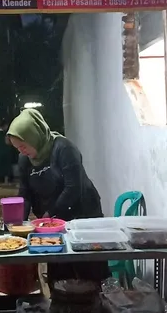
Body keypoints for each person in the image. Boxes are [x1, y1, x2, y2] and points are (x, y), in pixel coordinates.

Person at [7, 108, 108, 283]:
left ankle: (98, 305)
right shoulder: (25, 160)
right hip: (52, 225)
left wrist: (49, 215)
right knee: (59, 271)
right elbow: (25, 193)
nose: (21, 151)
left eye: (23, 145)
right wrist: (18, 224)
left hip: (82, 215)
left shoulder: (63, 149)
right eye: (17, 148)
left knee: (89, 269)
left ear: (33, 136)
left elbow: (73, 188)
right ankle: (62, 306)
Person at [0, 119, 15, 183]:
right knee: (6, 167)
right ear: (4, 125)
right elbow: (7, 142)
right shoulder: (4, 134)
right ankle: (6, 180)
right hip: (5, 152)